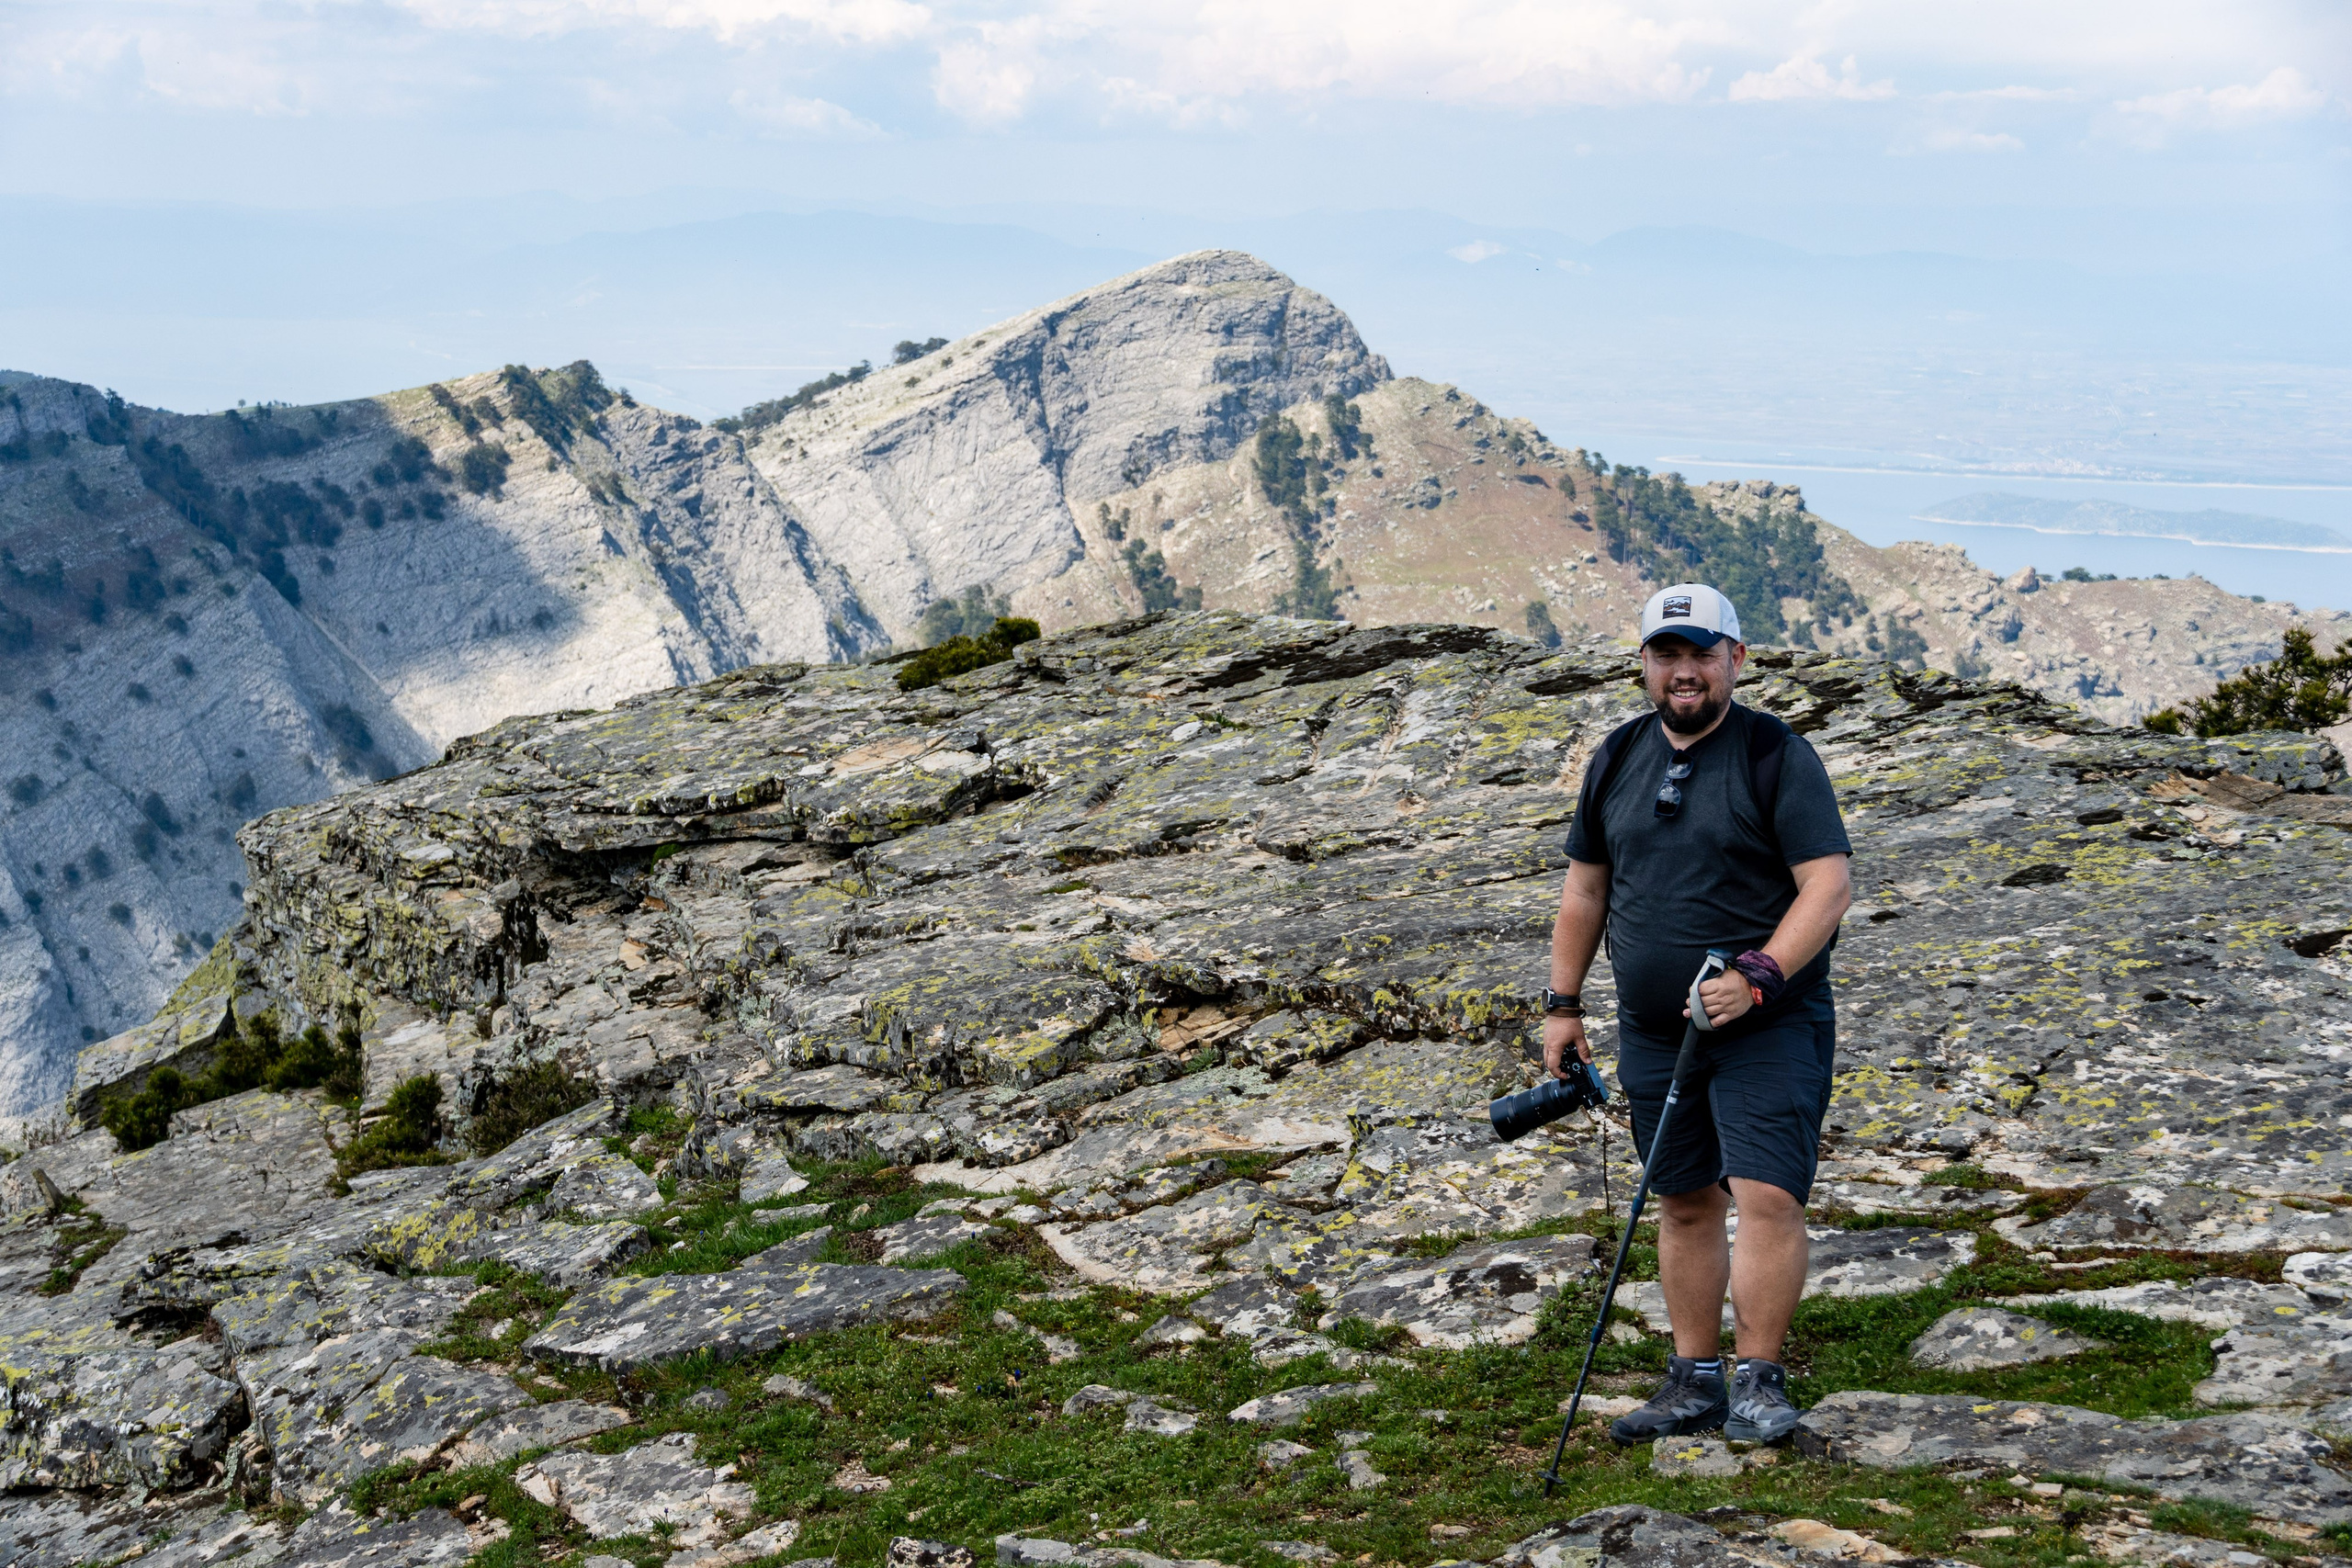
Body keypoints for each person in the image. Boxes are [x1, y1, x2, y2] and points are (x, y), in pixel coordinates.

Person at [1543, 582, 1853, 1445]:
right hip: (1652, 1030)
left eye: (1701, 654)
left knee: (1765, 1193)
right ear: (1643, 664)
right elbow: (1586, 889)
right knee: (1680, 1197)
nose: (1685, 672)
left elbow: (1827, 884)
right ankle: (1694, 1379)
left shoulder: (1774, 754)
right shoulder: (1615, 757)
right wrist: (1563, 1005)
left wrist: (1760, 973)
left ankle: (1758, 1379)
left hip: (1768, 1022)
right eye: (1667, 654)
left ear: (1735, 660)